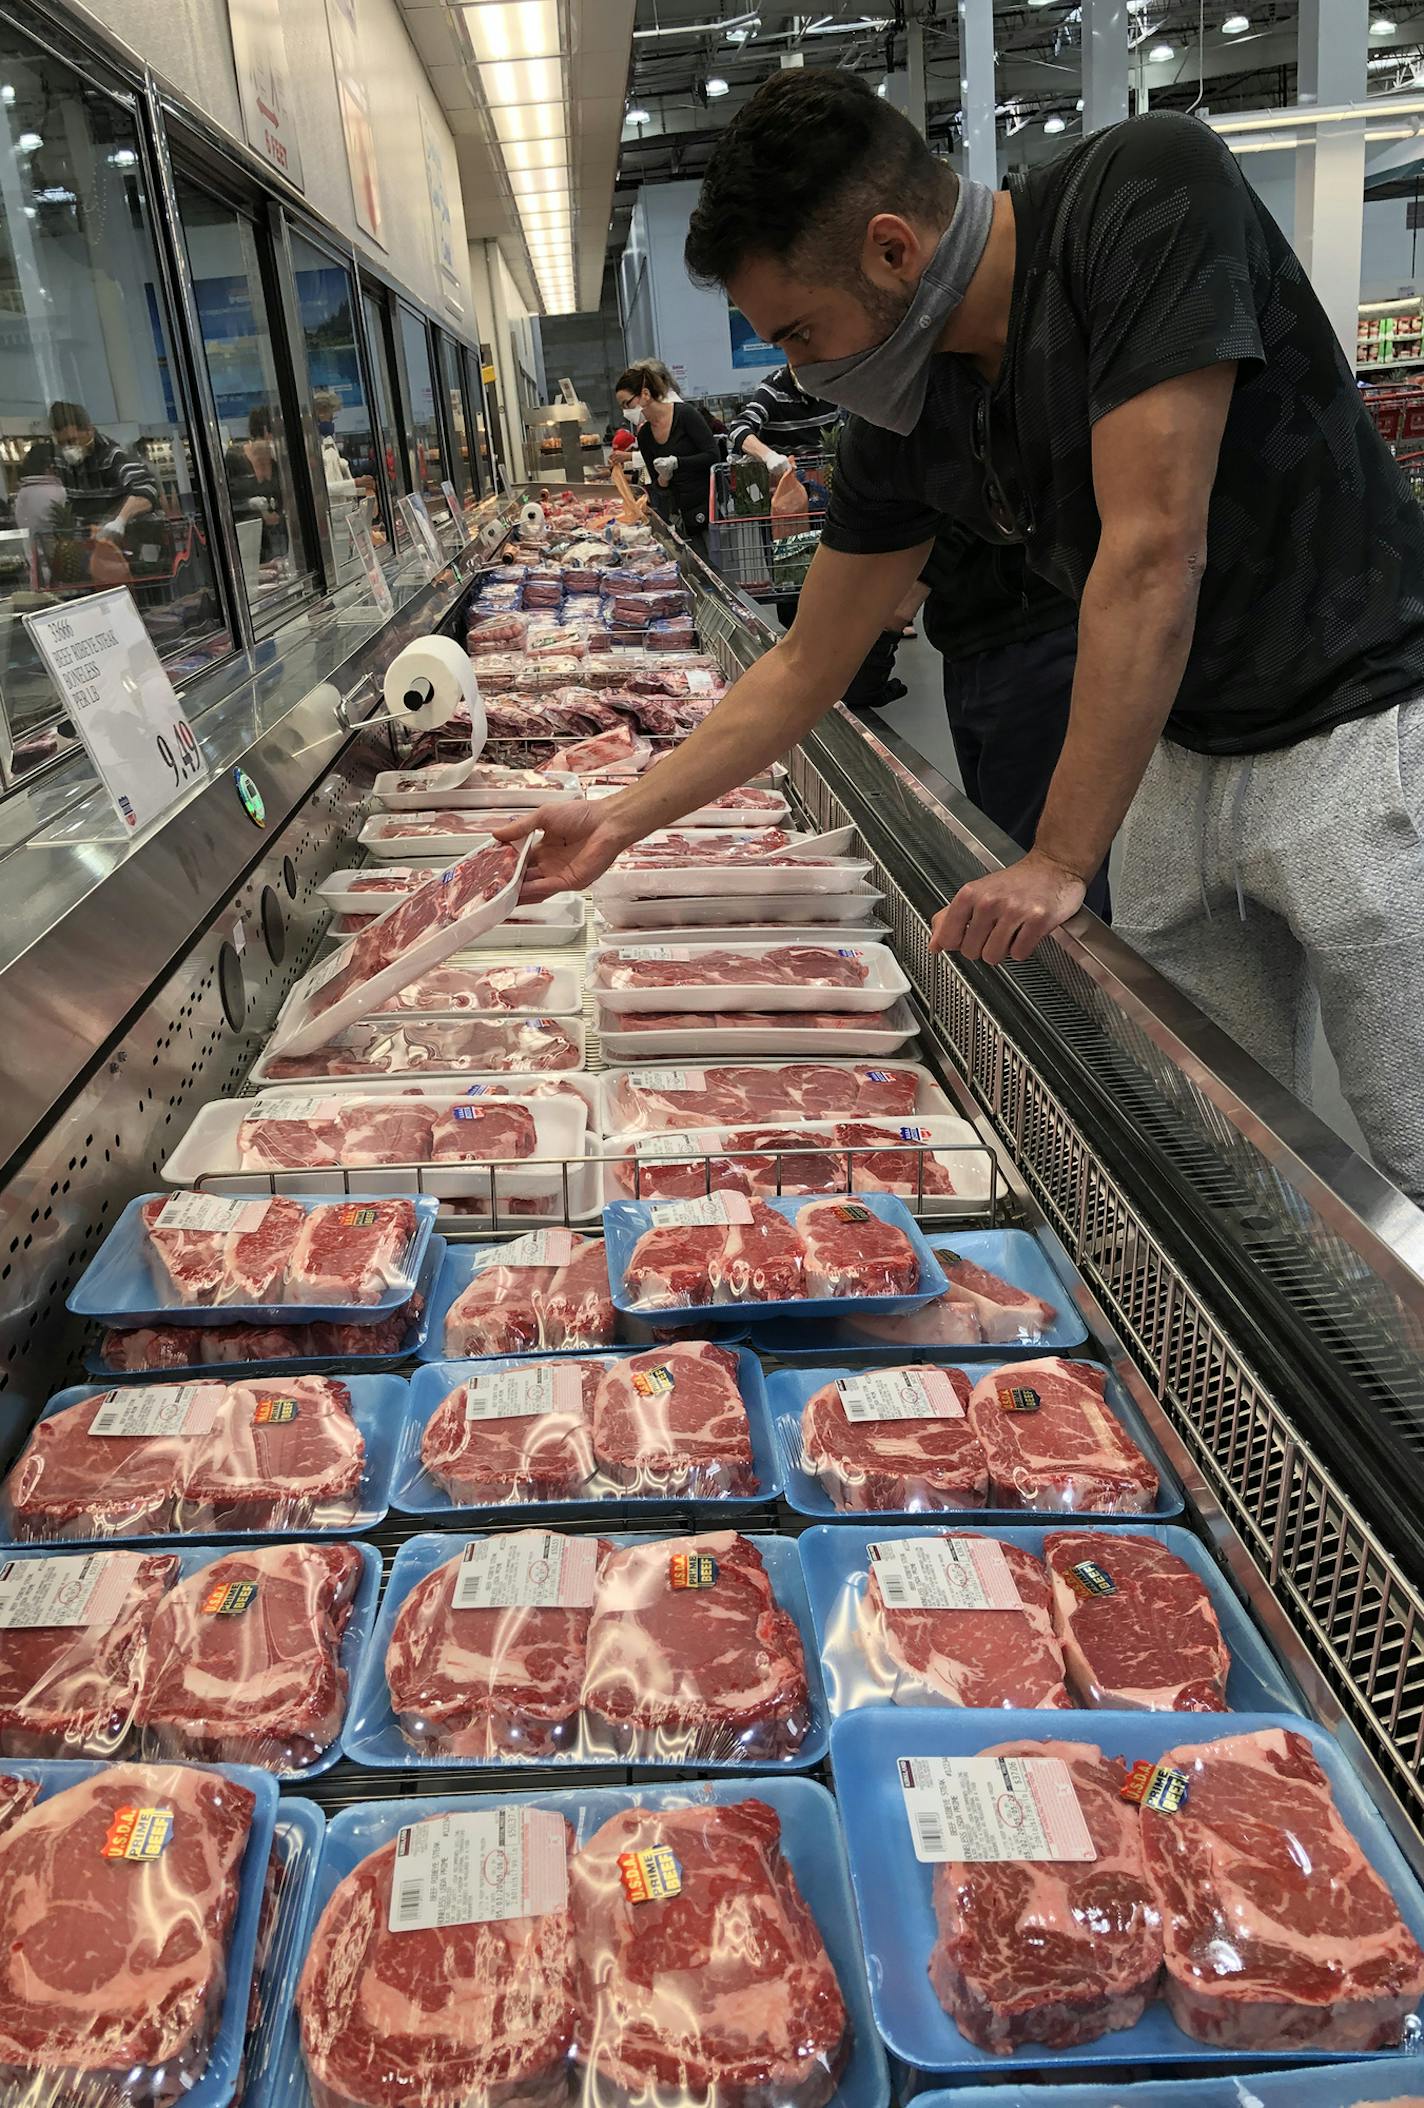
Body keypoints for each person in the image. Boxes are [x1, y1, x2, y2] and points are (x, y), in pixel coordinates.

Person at [498, 75, 1424, 1203]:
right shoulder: (912, 404)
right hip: (1178, 750)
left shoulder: (1140, 190)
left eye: (797, 331)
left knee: (1410, 1130)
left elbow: (1150, 548)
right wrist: (617, 817)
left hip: (1361, 722)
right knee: (1213, 1151)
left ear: (892, 250)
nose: (795, 368)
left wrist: (1057, 858)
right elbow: (806, 660)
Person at [911, 529, 1105, 916]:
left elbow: (962, 514)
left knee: (1041, 859)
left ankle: (1066, 973)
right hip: (968, 645)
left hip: (1033, 634)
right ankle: (1027, 964)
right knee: (997, 844)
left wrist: (908, 589)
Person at [730, 361, 907, 707]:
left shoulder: (833, 383)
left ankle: (838, 675)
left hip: (830, 500)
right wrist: (769, 456)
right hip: (789, 508)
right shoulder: (773, 389)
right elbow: (739, 430)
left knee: (840, 587)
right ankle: (803, 677)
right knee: (793, 586)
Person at [614, 362, 717, 560]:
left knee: (716, 565)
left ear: (645, 394)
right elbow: (658, 486)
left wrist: (678, 462)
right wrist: (664, 478)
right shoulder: (644, 435)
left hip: (706, 506)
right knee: (695, 567)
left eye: (627, 404)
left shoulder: (685, 415)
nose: (625, 411)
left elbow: (712, 455)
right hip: (679, 515)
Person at [20, 399, 158, 546]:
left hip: (116, 547)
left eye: (72, 440)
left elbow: (147, 490)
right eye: (62, 443)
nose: (68, 448)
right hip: (80, 548)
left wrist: (120, 520)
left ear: (89, 430)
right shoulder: (59, 461)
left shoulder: (112, 457)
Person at [223, 405, 286, 560]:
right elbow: (226, 503)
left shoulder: (277, 462)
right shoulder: (233, 460)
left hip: (280, 544)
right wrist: (253, 508)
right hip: (248, 544)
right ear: (266, 432)